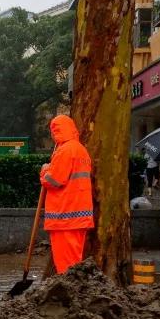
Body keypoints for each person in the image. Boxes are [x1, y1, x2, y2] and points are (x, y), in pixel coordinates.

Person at [41, 115, 95, 272]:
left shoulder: (65, 151)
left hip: (64, 216)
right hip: (78, 216)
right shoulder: (81, 150)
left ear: (56, 131)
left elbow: (53, 181)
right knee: (74, 260)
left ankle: (68, 293)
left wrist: (44, 171)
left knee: (65, 265)